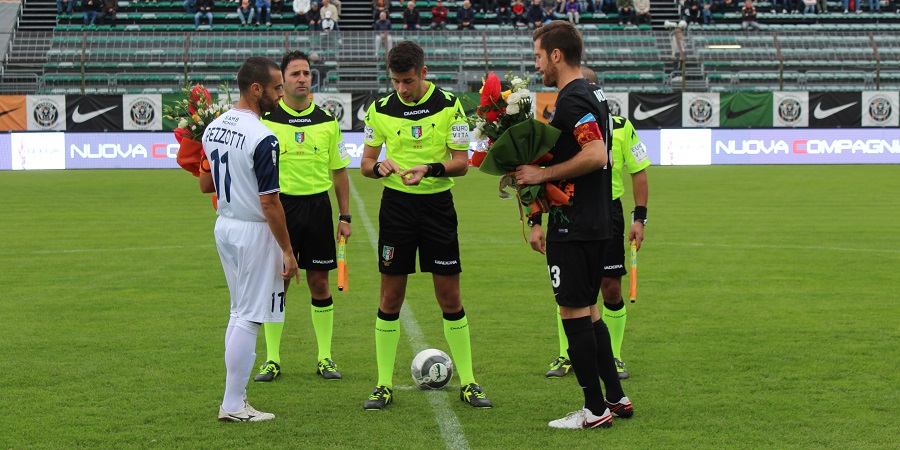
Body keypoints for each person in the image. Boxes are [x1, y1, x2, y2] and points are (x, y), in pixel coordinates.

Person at [359, 40, 491, 411]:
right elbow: (366, 163)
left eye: (408, 81)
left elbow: (462, 163)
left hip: (437, 208)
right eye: (395, 81)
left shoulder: (450, 105)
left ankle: (469, 382)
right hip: (396, 209)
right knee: (390, 297)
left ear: (424, 73)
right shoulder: (379, 110)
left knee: (449, 297)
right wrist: (379, 167)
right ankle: (383, 384)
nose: (401, 88)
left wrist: (428, 169)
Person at [518, 20, 632, 429]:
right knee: (590, 311)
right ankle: (615, 398)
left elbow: (596, 154)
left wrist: (540, 175)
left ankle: (594, 411)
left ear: (556, 54)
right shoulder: (593, 92)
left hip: (575, 223)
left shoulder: (572, 97)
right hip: (597, 218)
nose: (536, 65)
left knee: (572, 313)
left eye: (538, 56)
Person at [199, 56, 297, 422]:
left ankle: (234, 401)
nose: (281, 94)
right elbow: (270, 202)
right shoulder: (263, 136)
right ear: (256, 89)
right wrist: (288, 250)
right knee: (251, 317)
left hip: (225, 225)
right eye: (276, 88)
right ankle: (233, 404)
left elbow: (205, 183)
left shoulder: (213, 127)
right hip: (253, 230)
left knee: (238, 312)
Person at [545, 66, 649, 382]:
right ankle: (567, 354)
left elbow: (639, 171)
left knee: (610, 287)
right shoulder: (563, 124)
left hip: (608, 211)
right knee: (572, 289)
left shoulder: (622, 127)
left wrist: (640, 218)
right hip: (572, 207)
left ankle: (613, 356)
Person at [254, 51, 351, 384]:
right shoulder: (267, 120)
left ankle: (324, 357)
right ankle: (272, 359)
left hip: (318, 209)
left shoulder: (327, 120)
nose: (302, 78)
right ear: (282, 80)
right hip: (281, 209)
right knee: (277, 283)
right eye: (295, 73)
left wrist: (346, 216)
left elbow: (339, 171)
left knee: (319, 283)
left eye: (306, 73)